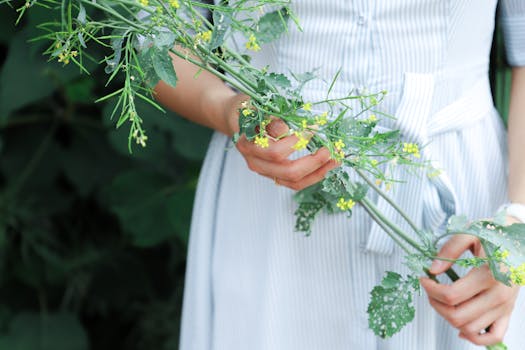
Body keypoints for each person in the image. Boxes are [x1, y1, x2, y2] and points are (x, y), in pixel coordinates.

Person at [154, 1, 525, 349]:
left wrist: (516, 231)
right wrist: (228, 110)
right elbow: (152, 37)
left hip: (472, 207)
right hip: (270, 190)